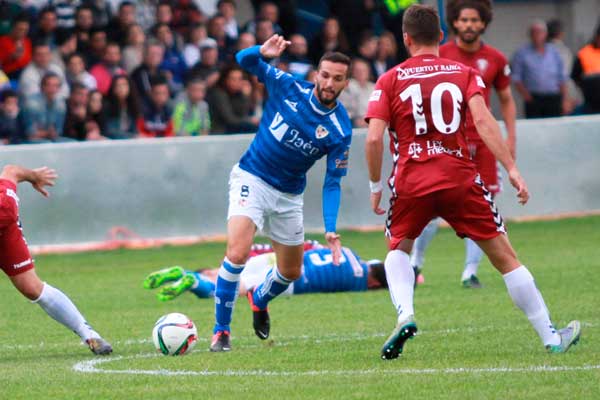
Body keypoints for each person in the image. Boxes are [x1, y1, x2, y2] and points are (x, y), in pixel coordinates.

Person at [364, 5, 580, 359]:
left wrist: (376, 187)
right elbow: (483, 121)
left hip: (411, 181)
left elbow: (373, 139)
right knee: (505, 258)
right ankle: (551, 338)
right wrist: (510, 167)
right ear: (441, 36)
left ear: (406, 39)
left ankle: (406, 314)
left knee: (398, 248)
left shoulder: (389, 79)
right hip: (459, 177)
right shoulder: (463, 73)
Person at [209, 34, 352, 352]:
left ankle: (259, 299)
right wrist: (261, 51)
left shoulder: (341, 129)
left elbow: (332, 182)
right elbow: (242, 62)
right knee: (237, 253)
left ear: (345, 82)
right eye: (325, 75)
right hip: (252, 177)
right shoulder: (288, 86)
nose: (329, 83)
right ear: (317, 73)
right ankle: (221, 332)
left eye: (337, 79)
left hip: (288, 196)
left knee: (290, 271)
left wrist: (330, 228)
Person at [410, 0, 518, 288]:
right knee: (430, 207)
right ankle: (415, 263)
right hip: (446, 143)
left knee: (483, 207)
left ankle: (469, 272)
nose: (469, 25)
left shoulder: (495, 59)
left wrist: (510, 137)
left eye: (475, 20)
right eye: (464, 20)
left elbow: (506, 100)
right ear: (454, 23)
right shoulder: (441, 55)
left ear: (483, 23)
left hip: (482, 143)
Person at [0, 164, 112, 355]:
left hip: (6, 234)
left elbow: (12, 170)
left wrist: (34, 175)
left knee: (31, 287)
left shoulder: (5, 205)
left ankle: (89, 334)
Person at [143, 243, 388, 301]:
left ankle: (184, 272)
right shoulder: (359, 283)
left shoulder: (347, 251)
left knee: (229, 276)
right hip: (288, 277)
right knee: (229, 292)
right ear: (375, 284)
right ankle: (193, 282)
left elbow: (377, 263)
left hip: (275, 257)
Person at [511, 20, 568, 118]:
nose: (537, 35)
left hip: (553, 96)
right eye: (534, 32)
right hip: (534, 98)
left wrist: (564, 98)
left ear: (545, 34)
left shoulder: (554, 51)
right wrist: (526, 95)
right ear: (530, 35)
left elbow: (562, 76)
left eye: (540, 32)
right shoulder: (522, 53)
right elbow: (516, 77)